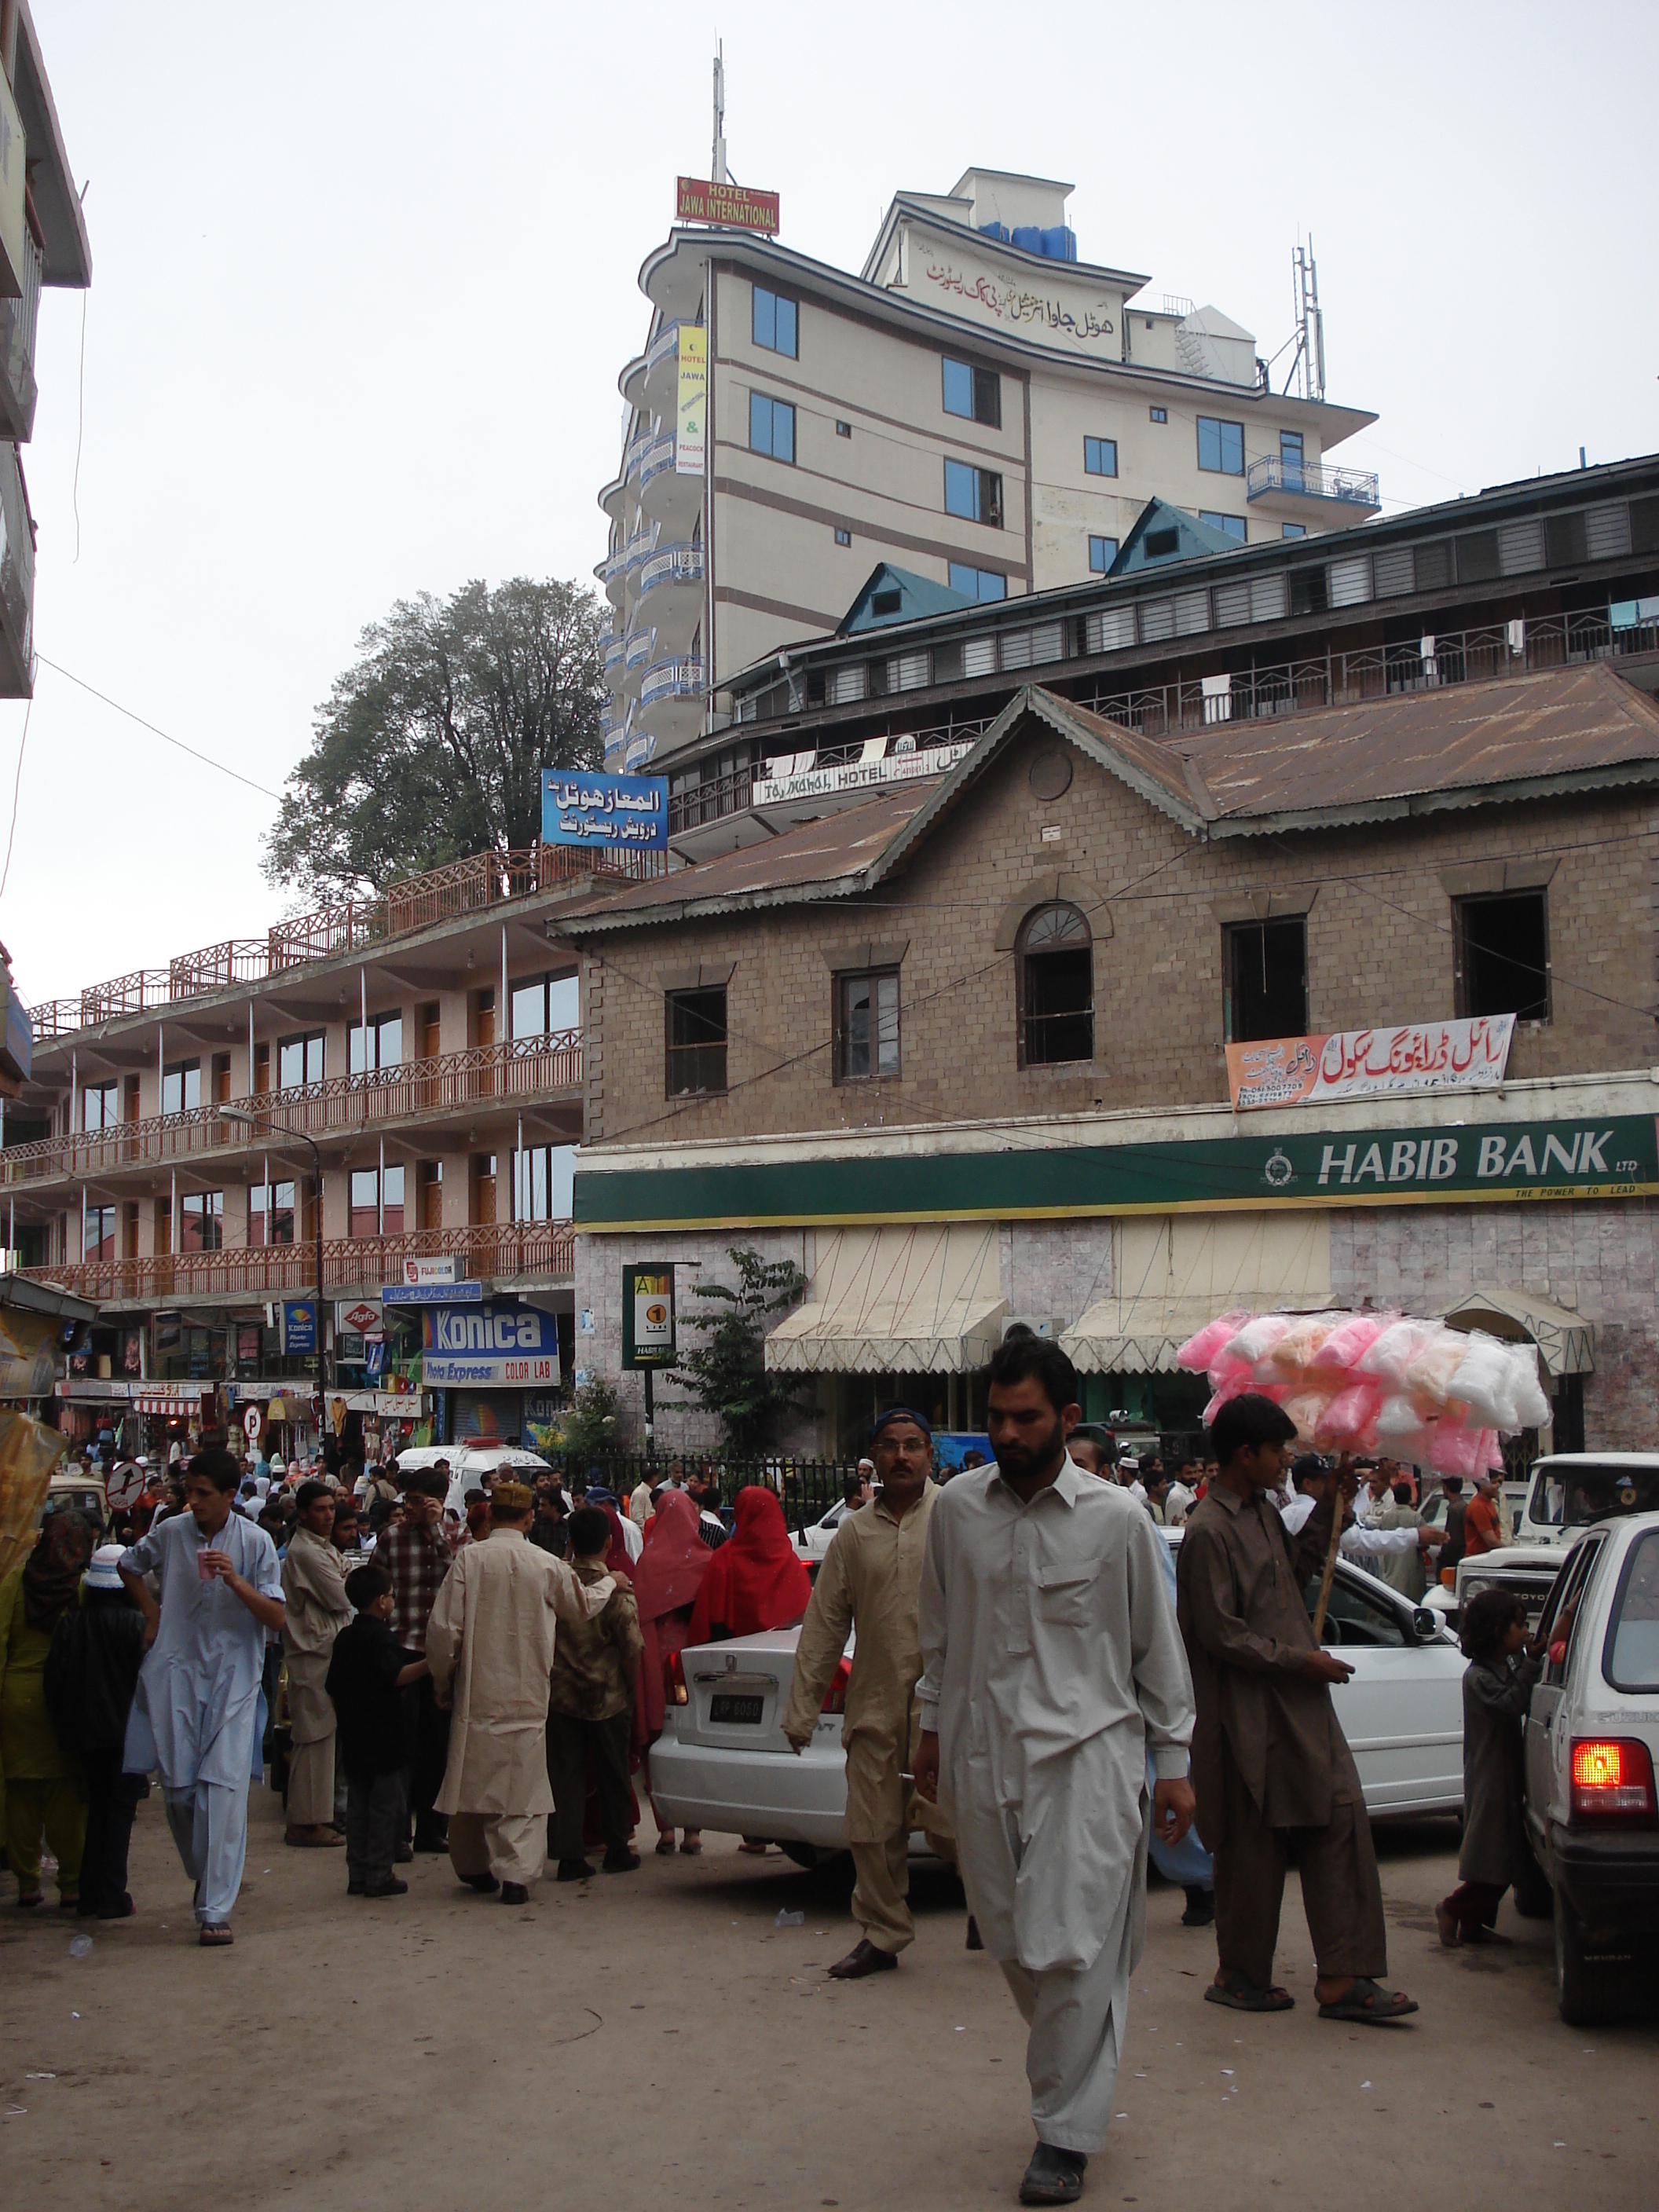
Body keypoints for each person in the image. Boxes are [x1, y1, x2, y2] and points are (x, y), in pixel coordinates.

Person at [916, 1339, 1196, 2207]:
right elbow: (938, 1632)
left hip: (1090, 1758)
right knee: (1011, 1938)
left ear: (1068, 1419)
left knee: (1069, 1943)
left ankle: (1063, 2136)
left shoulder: (1118, 1519)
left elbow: (1157, 1647)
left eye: (1025, 1417)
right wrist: (928, 1731)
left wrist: (1176, 1762)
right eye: (997, 1416)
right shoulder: (956, 1510)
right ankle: (1082, 2058)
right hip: (980, 1754)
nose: (1007, 1431)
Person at [1176, 1395, 1417, 2024]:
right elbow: (1220, 1634)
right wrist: (1300, 1661)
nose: (1287, 1460)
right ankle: (1240, 1975)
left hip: (1301, 1708)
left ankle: (1344, 1975)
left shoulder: (1263, 1513)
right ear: (1244, 1454)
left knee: (1340, 1821)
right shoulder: (1208, 1532)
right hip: (1246, 1715)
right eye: (1278, 1451)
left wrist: (1333, 1504)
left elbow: (1298, 1569)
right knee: (1251, 1852)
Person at [786, 1406, 958, 1979]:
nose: (902, 1456)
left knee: (957, 1825)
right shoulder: (853, 1535)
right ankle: (882, 1935)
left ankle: (993, 1907)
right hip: (878, 1701)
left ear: (930, 1455)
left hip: (950, 1706)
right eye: (890, 1445)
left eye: (913, 1445)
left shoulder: (957, 1520)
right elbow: (825, 1624)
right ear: (874, 1458)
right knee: (870, 1827)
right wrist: (802, 1711)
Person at [118, 1447, 287, 1946]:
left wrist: (235, 1579)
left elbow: (277, 1619)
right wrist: (152, 1614)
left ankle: (215, 1908)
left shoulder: (255, 1543)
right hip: (177, 1673)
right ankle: (205, 1875)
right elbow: (130, 1565)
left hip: (235, 1679)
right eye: (188, 1492)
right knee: (180, 1792)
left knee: (223, 1791)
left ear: (231, 1496)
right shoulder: (170, 1532)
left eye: (203, 1494)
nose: (193, 1502)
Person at [424, 1481, 620, 1905]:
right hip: (528, 1692)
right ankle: (516, 1873)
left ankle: (474, 1866)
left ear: (490, 1515)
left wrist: (443, 1680)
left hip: (477, 1690)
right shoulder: (546, 1565)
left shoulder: (469, 1561)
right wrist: (611, 1584)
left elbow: (444, 1631)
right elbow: (581, 1606)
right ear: (530, 1517)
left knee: (471, 1778)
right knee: (523, 1787)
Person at [1437, 1587, 1547, 1948]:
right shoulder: (1480, 1678)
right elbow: (1513, 1702)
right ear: (1499, 1632)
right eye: (1519, 1626)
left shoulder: (1501, 1667)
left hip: (1505, 1775)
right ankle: (1453, 1909)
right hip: (1491, 1778)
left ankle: (1472, 1924)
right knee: (1494, 1863)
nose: (1526, 1632)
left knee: (1504, 1856)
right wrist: (1531, 1664)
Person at [42, 1543, 147, 1919]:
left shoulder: (72, 1623)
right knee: (118, 1814)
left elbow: (55, 1679)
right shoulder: (137, 1625)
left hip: (85, 1734)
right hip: (126, 1735)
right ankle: (110, 1894)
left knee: (99, 1812)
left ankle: (90, 1893)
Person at [0, 1510, 96, 1910]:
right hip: (64, 1703)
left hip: (16, 1702)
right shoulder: (83, 1589)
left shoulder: (14, 1584)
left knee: (19, 1793)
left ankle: (27, 1884)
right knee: (65, 1797)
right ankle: (71, 1884)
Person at [547, 1506, 645, 1882]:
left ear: (569, 1542)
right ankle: (616, 1848)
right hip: (608, 1694)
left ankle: (569, 1854)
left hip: (563, 1693)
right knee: (613, 1774)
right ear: (608, 1543)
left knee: (566, 1776)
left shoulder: (558, 1586)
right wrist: (628, 1684)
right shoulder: (618, 1590)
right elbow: (632, 1648)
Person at [325, 1564, 429, 1899]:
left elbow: (333, 1684)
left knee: (357, 1807)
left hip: (354, 1736)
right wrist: (431, 1663)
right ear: (382, 1602)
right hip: (386, 1738)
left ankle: (357, 1872)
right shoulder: (382, 1638)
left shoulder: (345, 1637)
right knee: (386, 1809)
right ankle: (380, 1873)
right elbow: (395, 1676)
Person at [376, 1470, 453, 1853]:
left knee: (439, 1744)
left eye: (418, 1501)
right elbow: (375, 1587)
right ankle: (397, 1832)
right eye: (407, 1500)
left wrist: (438, 1530)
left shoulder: (454, 1537)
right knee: (401, 1742)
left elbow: (459, 1577)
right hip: (401, 1648)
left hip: (440, 1653)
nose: (409, 1508)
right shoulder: (391, 1539)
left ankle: (432, 1829)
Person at [630, 1488, 709, 1855]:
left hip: (655, 1667)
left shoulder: (647, 1562)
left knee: (657, 1746)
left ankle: (665, 1830)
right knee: (692, 1745)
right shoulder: (704, 1560)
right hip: (691, 1671)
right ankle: (693, 1831)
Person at [280, 1479, 352, 1848]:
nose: (328, 1516)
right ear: (304, 1513)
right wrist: (345, 1579)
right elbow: (343, 1596)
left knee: (326, 1738)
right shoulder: (305, 1551)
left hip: (326, 1652)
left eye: (331, 1508)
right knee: (313, 1738)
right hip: (312, 1653)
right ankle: (305, 1823)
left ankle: (319, 1816)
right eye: (321, 1510)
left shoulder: (321, 1548)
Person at [1280, 1455, 1446, 1578]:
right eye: (1324, 1480)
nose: (1331, 1485)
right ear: (1308, 1484)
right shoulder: (1310, 1513)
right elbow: (1362, 1541)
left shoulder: (1286, 1513)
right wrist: (1415, 1535)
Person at [687, 1485, 811, 1647]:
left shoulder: (724, 1558)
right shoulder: (791, 1563)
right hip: (786, 1656)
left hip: (734, 1657)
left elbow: (707, 1621)